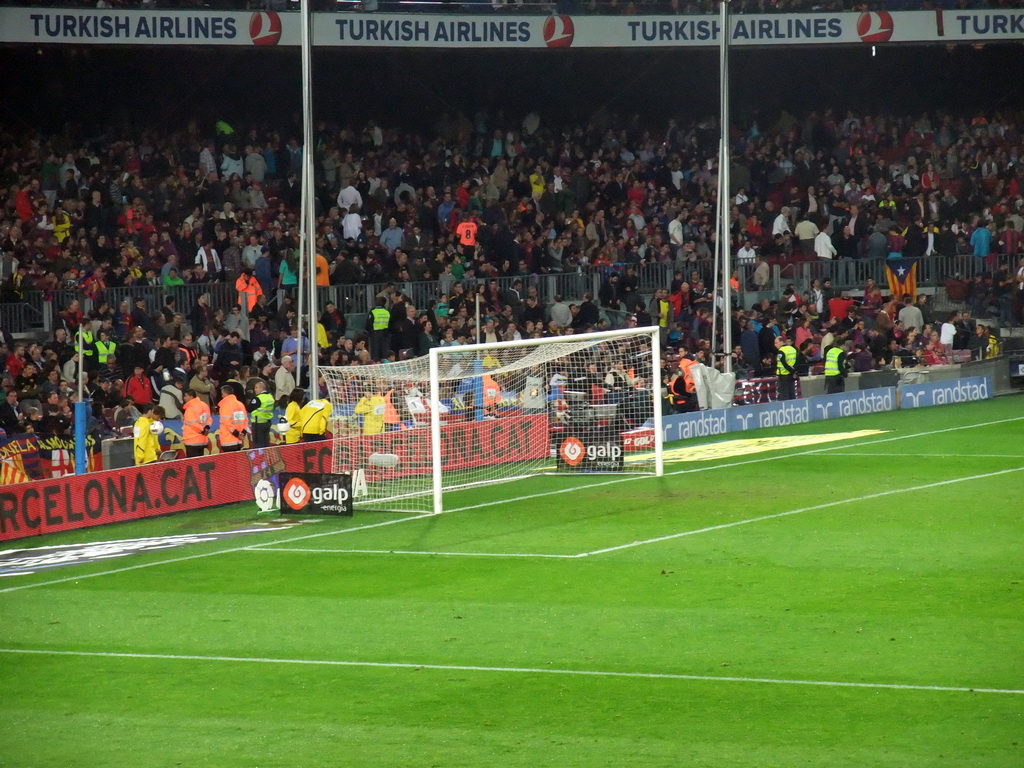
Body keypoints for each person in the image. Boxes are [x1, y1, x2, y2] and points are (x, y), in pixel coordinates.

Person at [181, 389, 212, 458]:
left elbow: (193, 424)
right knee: (200, 463)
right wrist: (206, 428)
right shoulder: (204, 405)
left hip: (192, 439)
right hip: (202, 439)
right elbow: (209, 418)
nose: (184, 398)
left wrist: (203, 430)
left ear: (191, 397)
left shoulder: (190, 409)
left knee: (192, 464)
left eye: (186, 396)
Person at [217, 384, 249, 452]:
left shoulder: (225, 405)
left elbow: (227, 423)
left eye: (222, 394)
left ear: (225, 394)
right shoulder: (240, 404)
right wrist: (242, 433)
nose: (222, 396)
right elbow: (245, 420)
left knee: (229, 462)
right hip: (239, 441)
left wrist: (236, 434)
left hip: (228, 440)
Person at [247, 379, 275, 448]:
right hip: (267, 423)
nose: (255, 390)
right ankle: (266, 457)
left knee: (258, 444)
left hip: (258, 424)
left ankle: (260, 458)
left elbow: (249, 409)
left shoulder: (257, 398)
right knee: (266, 443)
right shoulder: (270, 397)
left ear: (262, 388)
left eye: (256, 387)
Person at [774, 336, 798, 401]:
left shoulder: (781, 351)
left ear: (782, 342)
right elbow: (797, 361)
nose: (775, 345)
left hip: (783, 376)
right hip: (792, 376)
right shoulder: (793, 349)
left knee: (784, 396)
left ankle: (786, 410)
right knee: (792, 394)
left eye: (776, 343)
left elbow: (784, 364)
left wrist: (792, 371)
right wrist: (794, 371)